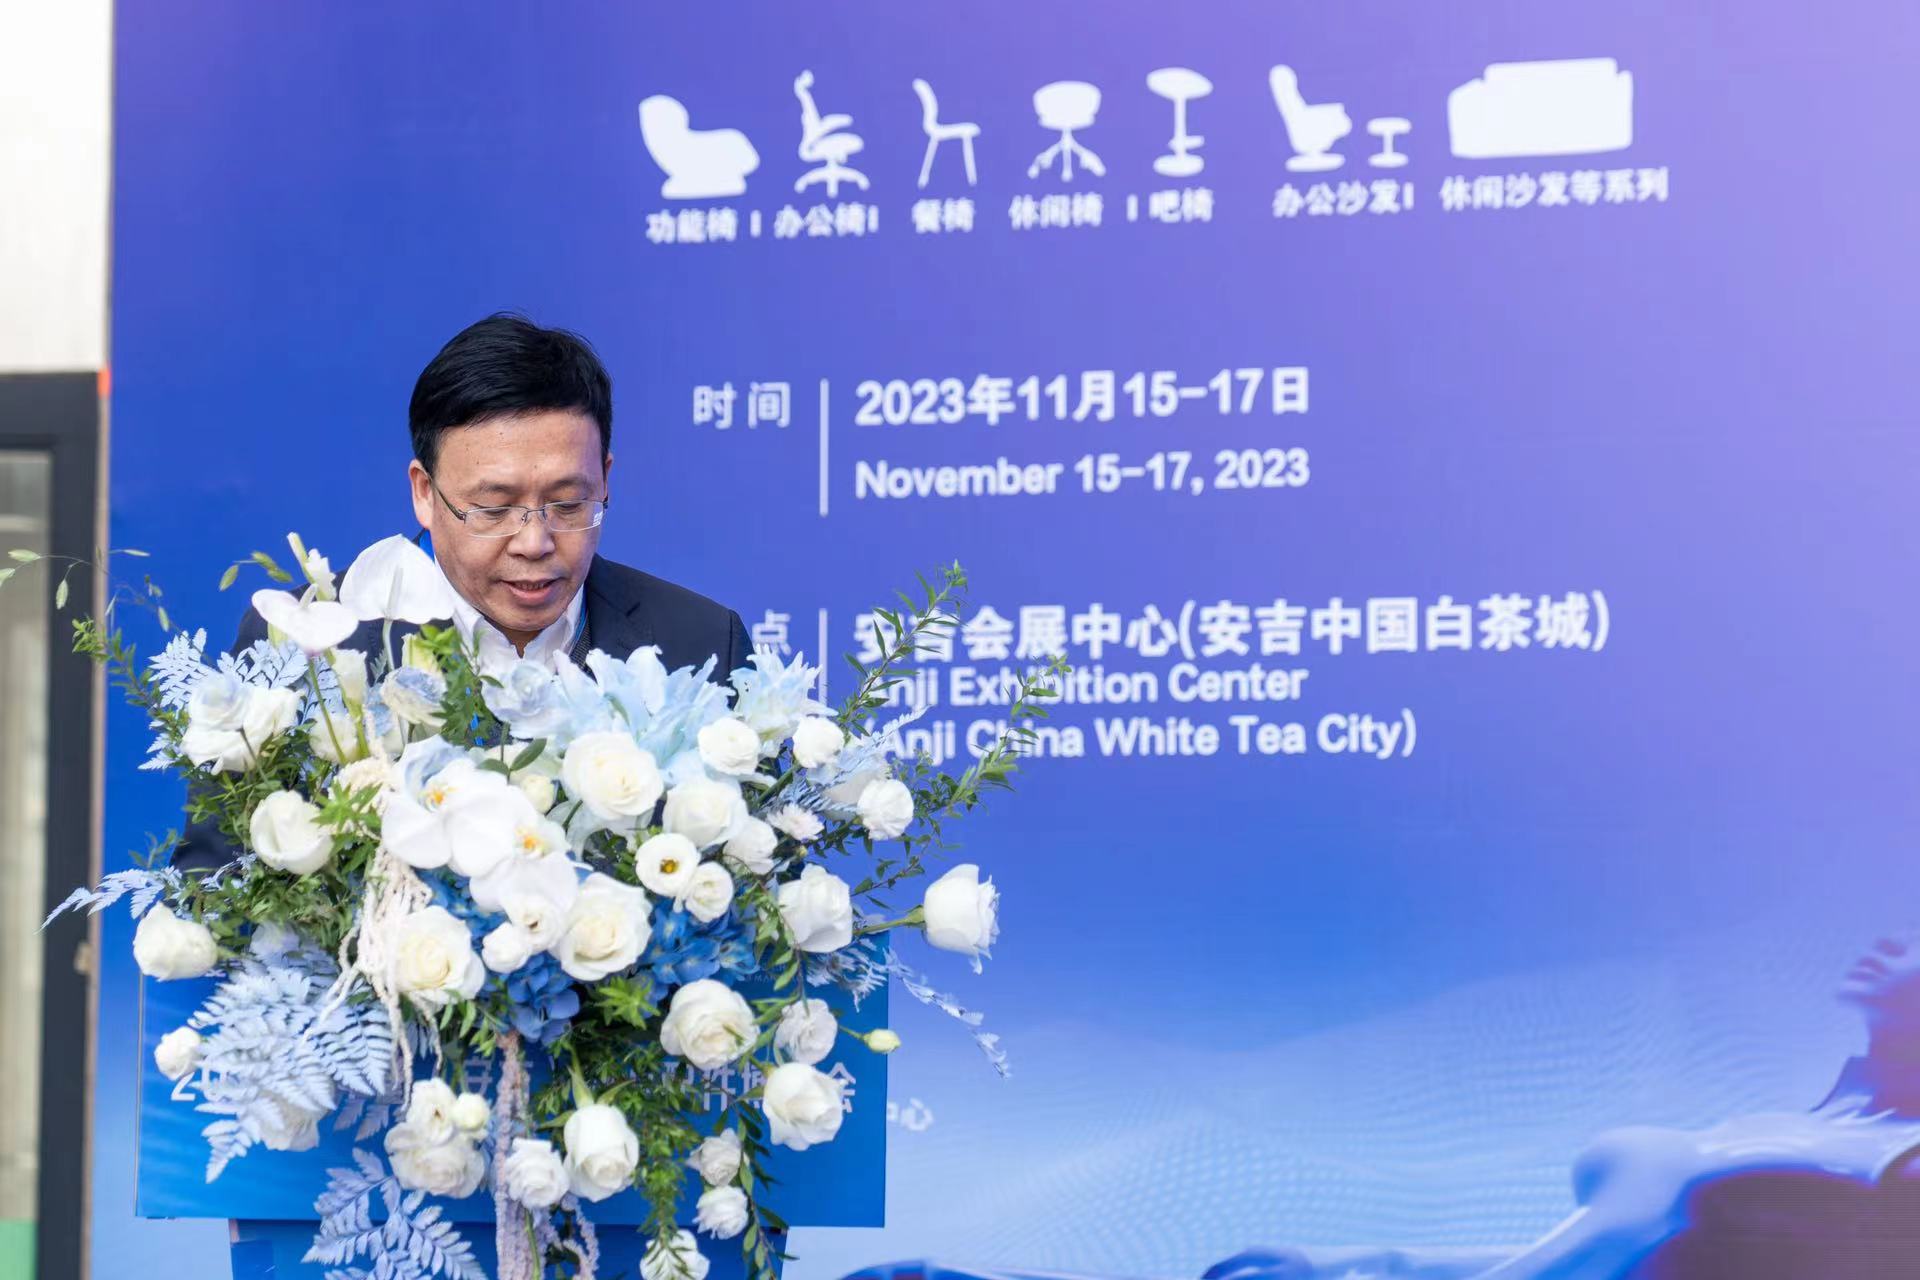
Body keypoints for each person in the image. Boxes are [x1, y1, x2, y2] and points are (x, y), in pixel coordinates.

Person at [171, 312, 752, 871]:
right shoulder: (309, 643)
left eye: (569, 503)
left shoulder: (701, 643)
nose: (535, 542)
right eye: (494, 509)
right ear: (424, 494)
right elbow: (215, 890)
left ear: (606, 479)